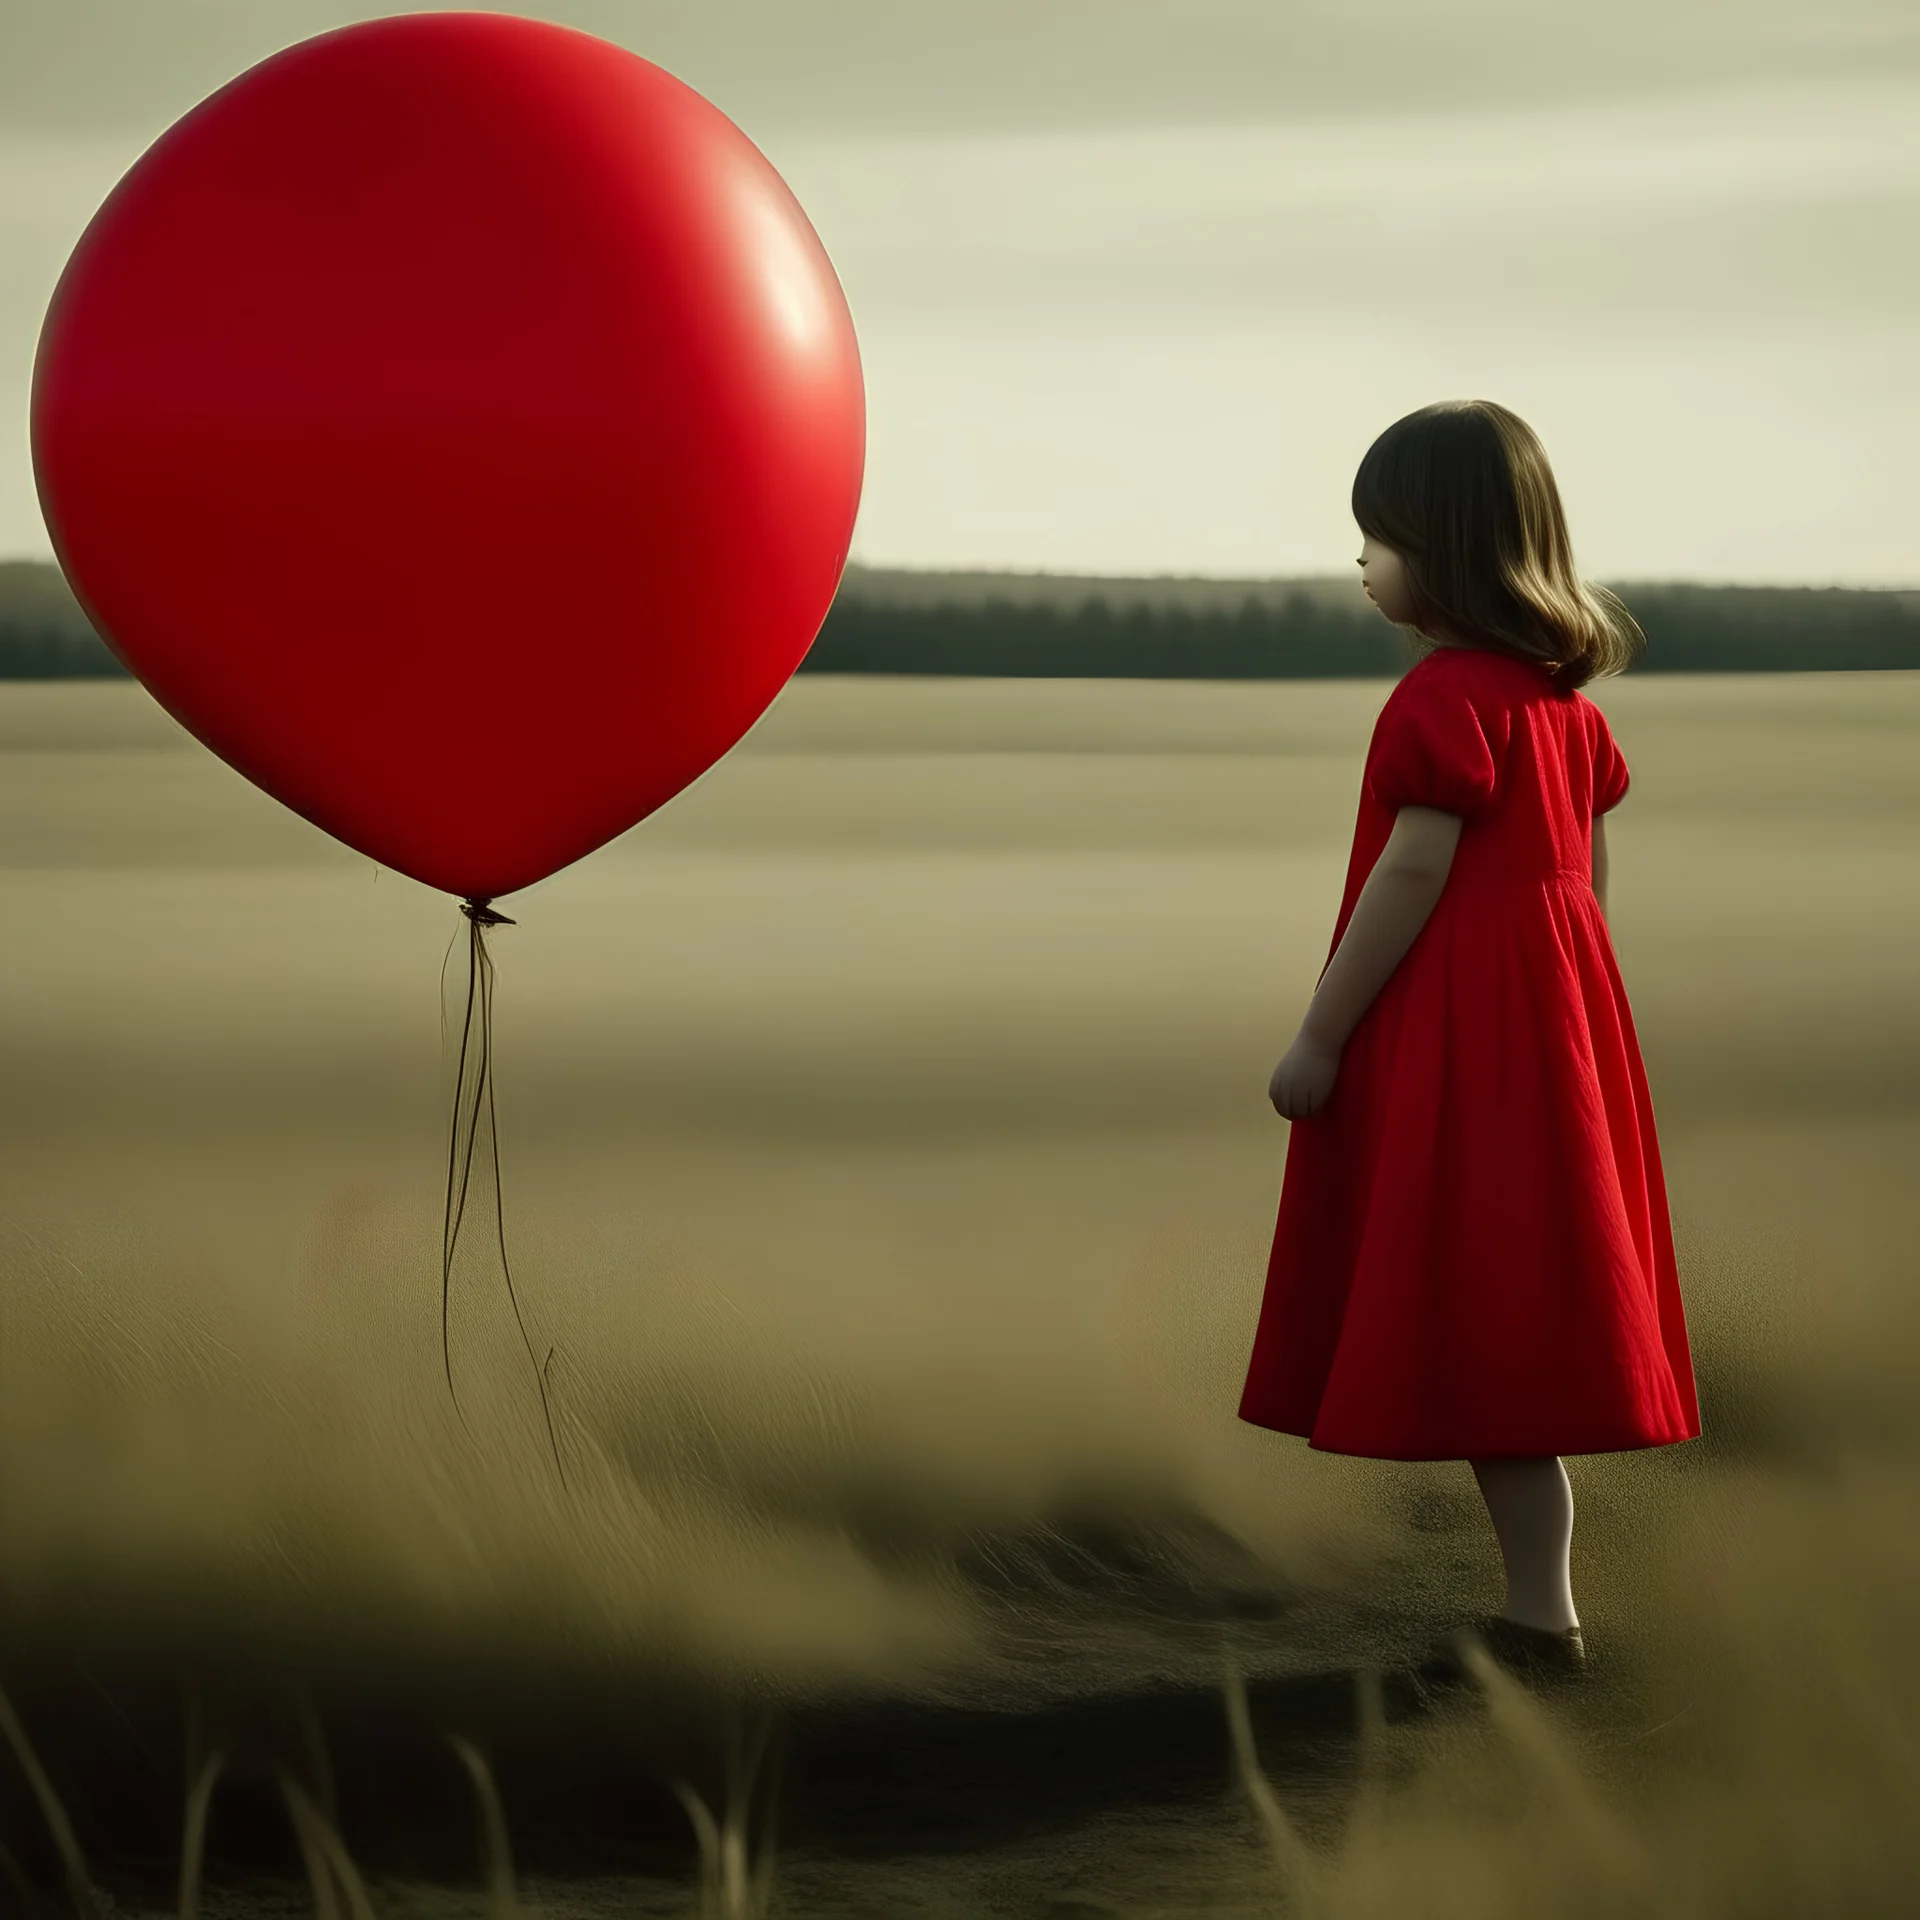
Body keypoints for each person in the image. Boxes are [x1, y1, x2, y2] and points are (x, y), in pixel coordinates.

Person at [1236, 400, 1700, 1684]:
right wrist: (1568, 1023)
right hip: (1548, 1030)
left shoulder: (1440, 703)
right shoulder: (1568, 714)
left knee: (1482, 1306)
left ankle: (1543, 1628)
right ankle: (1539, 1612)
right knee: (1521, 1320)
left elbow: (1410, 876)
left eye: (1378, 539)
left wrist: (1322, 1033)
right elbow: (1584, 890)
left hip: (1461, 1036)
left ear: (1442, 551)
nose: (1362, 564)